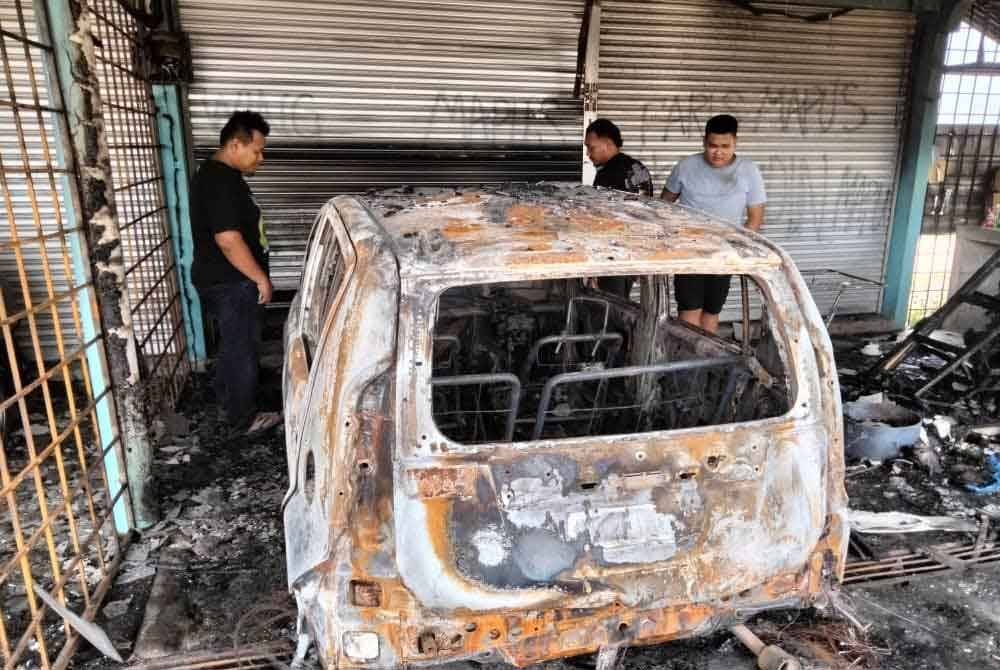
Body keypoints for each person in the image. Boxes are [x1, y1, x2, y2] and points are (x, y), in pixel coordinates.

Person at [191, 110, 281, 436]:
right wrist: (260, 278)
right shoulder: (219, 182)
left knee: (235, 345)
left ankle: (230, 401)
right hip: (231, 283)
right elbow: (228, 240)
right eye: (256, 151)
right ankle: (241, 419)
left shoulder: (223, 178)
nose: (261, 158)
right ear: (234, 145)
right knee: (241, 346)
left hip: (227, 282)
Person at [661, 114, 766, 334]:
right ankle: (686, 365)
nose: (718, 152)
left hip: (724, 254)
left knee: (712, 311)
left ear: (735, 142)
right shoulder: (686, 166)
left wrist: (736, 250)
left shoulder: (748, 170)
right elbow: (663, 207)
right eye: (712, 145)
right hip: (691, 253)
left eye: (725, 146)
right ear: (704, 142)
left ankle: (707, 364)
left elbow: (755, 218)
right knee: (689, 311)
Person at [585, 118, 653, 196]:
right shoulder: (638, 166)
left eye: (591, 147)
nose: (587, 153)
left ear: (607, 143)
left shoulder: (608, 172)